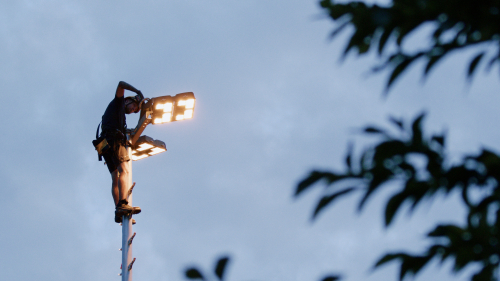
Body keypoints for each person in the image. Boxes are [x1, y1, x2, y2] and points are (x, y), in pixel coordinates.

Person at [101, 81, 143, 223]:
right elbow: (120, 84)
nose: (132, 110)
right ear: (127, 100)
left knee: (116, 176)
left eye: (134, 110)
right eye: (133, 107)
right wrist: (137, 90)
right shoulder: (118, 102)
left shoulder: (118, 115)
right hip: (113, 140)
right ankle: (123, 203)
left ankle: (119, 210)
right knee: (124, 170)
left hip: (104, 143)